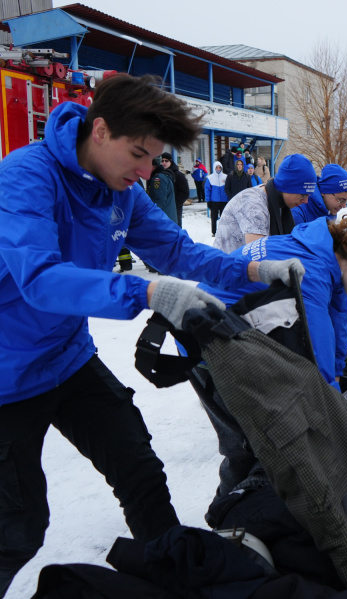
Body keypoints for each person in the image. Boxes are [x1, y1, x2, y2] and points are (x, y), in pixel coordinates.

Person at [0, 73, 302, 597]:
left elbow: (180, 252)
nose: (145, 171)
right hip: (7, 376)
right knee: (18, 525)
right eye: (138, 153)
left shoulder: (124, 193)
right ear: (99, 130)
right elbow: (40, 281)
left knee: (139, 470)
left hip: (67, 358)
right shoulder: (26, 177)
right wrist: (146, 294)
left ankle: (175, 578)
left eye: (154, 159)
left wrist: (252, 271)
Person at [193, 215, 347, 503]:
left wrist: (337, 376)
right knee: (246, 442)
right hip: (206, 341)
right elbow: (315, 349)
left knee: (271, 435)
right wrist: (334, 406)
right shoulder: (311, 273)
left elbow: (339, 317)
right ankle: (228, 515)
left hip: (244, 332)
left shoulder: (328, 255)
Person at [214, 153, 316, 253]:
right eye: (303, 195)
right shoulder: (253, 204)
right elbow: (259, 259)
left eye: (308, 196)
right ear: (286, 187)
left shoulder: (277, 201)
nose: (305, 201)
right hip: (226, 267)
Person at [205, 161, 227, 237]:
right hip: (214, 201)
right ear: (214, 168)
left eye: (219, 167)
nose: (218, 169)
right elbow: (207, 190)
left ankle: (223, 231)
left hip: (224, 201)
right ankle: (214, 232)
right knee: (214, 217)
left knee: (223, 217)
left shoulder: (225, 177)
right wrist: (208, 200)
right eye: (216, 167)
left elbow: (228, 188)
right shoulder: (210, 178)